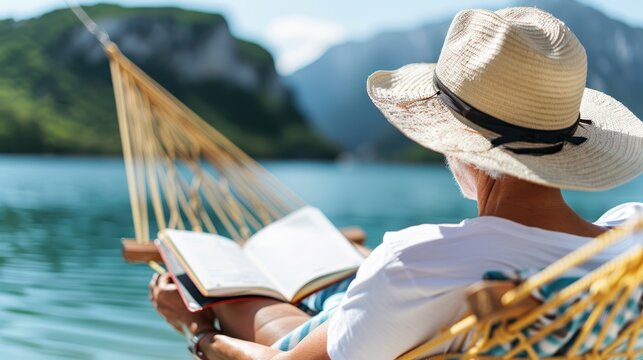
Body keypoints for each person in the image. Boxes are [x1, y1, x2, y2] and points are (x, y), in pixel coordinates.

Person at [149, 6, 643, 360]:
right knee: (344, 282)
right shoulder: (631, 241)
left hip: (383, 314)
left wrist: (194, 328)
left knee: (252, 300)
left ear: (456, 145)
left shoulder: (418, 262)